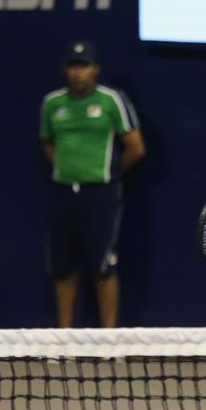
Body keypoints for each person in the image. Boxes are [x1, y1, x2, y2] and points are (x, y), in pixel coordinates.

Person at [40, 40, 146, 328]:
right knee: (62, 267)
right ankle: (63, 336)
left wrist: (108, 172)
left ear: (96, 69)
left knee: (104, 266)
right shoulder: (52, 103)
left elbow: (136, 148)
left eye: (84, 65)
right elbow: (47, 143)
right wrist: (67, 167)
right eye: (73, 66)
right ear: (65, 69)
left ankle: (108, 338)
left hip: (101, 193)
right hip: (62, 192)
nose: (78, 73)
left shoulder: (111, 100)